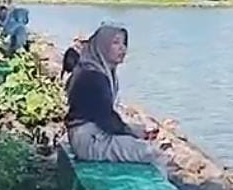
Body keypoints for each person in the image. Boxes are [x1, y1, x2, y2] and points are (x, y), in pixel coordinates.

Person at [65, 25, 162, 168]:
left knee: (138, 139)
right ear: (102, 46)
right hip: (88, 141)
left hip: (89, 134)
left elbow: (104, 116)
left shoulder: (92, 69)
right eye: (115, 43)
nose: (123, 48)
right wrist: (133, 133)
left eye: (124, 43)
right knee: (151, 153)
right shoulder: (93, 77)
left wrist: (135, 130)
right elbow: (107, 121)